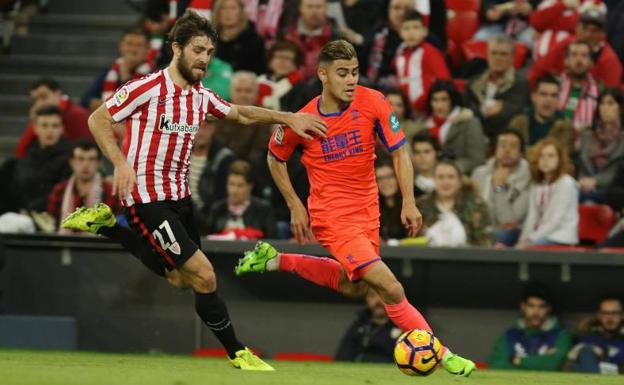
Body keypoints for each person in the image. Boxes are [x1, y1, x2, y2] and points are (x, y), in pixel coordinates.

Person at [59, 10, 327, 371]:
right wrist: (121, 163)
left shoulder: (201, 97)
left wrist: (288, 117)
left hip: (181, 199)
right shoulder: (145, 87)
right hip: (146, 199)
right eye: (198, 49)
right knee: (204, 275)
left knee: (179, 279)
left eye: (209, 52)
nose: (204, 58)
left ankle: (108, 225)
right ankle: (238, 353)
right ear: (176, 47)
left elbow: (241, 113)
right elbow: (98, 119)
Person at [234, 40, 476, 377]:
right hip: (332, 217)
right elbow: (275, 159)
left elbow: (400, 151)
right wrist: (295, 205)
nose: (351, 80)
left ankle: (275, 259)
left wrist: (407, 199)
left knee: (353, 286)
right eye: (342, 73)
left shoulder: (373, 102)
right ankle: (440, 353)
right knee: (390, 288)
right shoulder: (302, 119)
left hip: (368, 211)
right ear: (323, 75)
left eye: (355, 72)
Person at [528, 4, 622, 88]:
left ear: (602, 34)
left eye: (595, 30)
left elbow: (611, 96)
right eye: (585, 29)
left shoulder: (608, 59)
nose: (589, 34)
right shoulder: (566, 44)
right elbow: (537, 72)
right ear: (577, 29)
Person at [488, 283, 573, 371]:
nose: (536, 312)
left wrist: (517, 361)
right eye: (531, 306)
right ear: (523, 306)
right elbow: (496, 367)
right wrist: (539, 363)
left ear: (549, 308)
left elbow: (554, 365)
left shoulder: (561, 336)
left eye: (541, 306)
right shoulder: (509, 336)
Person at [464, 34, 530, 142]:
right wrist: (483, 111)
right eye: (493, 53)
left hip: (505, 139)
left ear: (512, 57)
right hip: (474, 137)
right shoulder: (473, 83)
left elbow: (518, 112)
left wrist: (503, 109)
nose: (497, 58)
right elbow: (465, 110)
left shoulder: (521, 84)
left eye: (503, 54)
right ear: (487, 55)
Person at [517, 138, 579, 248]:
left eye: (551, 156)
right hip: (543, 235)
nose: (545, 160)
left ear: (559, 160)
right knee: (519, 247)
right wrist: (523, 238)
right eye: (542, 156)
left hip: (561, 236)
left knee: (527, 248)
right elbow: (532, 216)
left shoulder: (566, 183)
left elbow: (556, 220)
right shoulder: (536, 184)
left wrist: (531, 238)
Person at [472, 129, 530, 247]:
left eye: (513, 146)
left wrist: (499, 188)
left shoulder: (528, 178)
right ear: (494, 150)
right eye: (503, 145)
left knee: (496, 235)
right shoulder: (480, 173)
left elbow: (508, 221)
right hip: (481, 226)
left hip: (513, 233)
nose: (507, 150)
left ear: (521, 153)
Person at [48, 141, 120, 233]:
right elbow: (51, 223)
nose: (86, 164)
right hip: (64, 244)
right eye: (80, 159)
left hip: (102, 245)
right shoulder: (59, 190)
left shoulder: (110, 191)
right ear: (71, 162)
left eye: (91, 159)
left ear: (98, 163)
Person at [416, 160, 492, 247]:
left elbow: (485, 242)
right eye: (440, 177)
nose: (446, 182)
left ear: (459, 181)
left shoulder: (477, 206)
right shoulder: (420, 206)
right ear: (434, 180)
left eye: (451, 177)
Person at [420, 80, 486, 175]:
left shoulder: (469, 122)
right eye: (435, 100)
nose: (439, 105)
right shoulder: (426, 125)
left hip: (462, 177)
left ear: (452, 100)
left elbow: (477, 159)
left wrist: (448, 169)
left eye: (444, 100)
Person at [16, 78, 91, 158]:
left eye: (44, 97)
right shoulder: (41, 116)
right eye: (35, 100)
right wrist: (34, 121)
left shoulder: (77, 115)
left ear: (58, 94)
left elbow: (88, 148)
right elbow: (21, 151)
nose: (39, 103)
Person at [393, 10, 450, 115]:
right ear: (400, 32)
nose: (411, 32)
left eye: (415, 27)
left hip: (426, 112)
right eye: (406, 28)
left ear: (425, 31)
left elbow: (444, 82)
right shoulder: (399, 51)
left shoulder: (430, 53)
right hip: (406, 112)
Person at [203, 160, 276, 239]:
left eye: (240, 185)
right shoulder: (217, 209)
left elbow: (272, 241)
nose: (234, 190)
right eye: (231, 184)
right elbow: (206, 240)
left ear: (250, 186)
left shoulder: (263, 210)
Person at [214, 71, 273, 164]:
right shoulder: (219, 112)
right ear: (231, 92)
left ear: (256, 93)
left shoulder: (265, 117)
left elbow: (259, 152)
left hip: (249, 168)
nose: (243, 95)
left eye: (248, 91)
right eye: (238, 90)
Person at [577, 88, 624, 203]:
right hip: (583, 187)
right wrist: (583, 181)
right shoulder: (586, 136)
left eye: (610, 103)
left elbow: (619, 172)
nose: (604, 108)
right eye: (601, 103)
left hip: (610, 190)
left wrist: (596, 181)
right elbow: (581, 166)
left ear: (621, 108)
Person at [508, 75, 574, 154]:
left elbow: (559, 156)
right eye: (543, 94)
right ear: (534, 97)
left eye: (554, 96)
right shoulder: (518, 122)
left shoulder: (565, 127)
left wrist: (524, 150)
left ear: (558, 100)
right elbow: (511, 150)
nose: (548, 100)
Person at [335, 288, 401, 363]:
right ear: (366, 299)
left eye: (382, 295)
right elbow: (342, 357)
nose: (378, 300)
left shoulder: (402, 326)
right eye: (372, 295)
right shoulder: (358, 326)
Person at [563, 296, 624, 374]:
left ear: (622, 315)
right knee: (585, 351)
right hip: (586, 377)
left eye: (614, 313)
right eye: (605, 313)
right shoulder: (586, 338)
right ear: (599, 315)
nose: (610, 318)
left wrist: (603, 357)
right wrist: (571, 357)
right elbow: (567, 370)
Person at [283, 0, 338, 80]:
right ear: (300, 8)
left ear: (326, 9)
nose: (314, 11)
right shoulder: (285, 35)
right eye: (309, 6)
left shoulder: (337, 38)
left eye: (318, 7)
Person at [188, 120, 235, 212]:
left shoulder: (224, 158)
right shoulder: (181, 153)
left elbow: (221, 200)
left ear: (214, 128)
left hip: (207, 216)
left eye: (205, 127)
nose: (200, 132)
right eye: (196, 127)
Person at [557, 40, 601, 133]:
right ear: (566, 61)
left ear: (591, 62)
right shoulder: (556, 85)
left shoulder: (599, 90)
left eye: (584, 56)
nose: (579, 60)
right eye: (574, 55)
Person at [213, 0, 266, 74]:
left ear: (241, 13)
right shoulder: (210, 39)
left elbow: (260, 72)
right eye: (223, 8)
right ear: (218, 13)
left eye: (233, 8)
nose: (228, 12)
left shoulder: (254, 40)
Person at [257, 40, 304, 111]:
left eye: (287, 58)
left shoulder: (301, 88)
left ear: (296, 64)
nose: (282, 62)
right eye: (279, 57)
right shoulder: (258, 81)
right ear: (270, 61)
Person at [375, 159, 407, 241]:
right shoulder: (373, 210)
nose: (385, 182)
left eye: (389, 177)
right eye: (379, 179)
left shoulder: (411, 206)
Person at [411, 133, 438, 197]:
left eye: (427, 151)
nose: (422, 156)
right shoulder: (408, 187)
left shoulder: (450, 182)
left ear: (437, 153)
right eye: (417, 152)